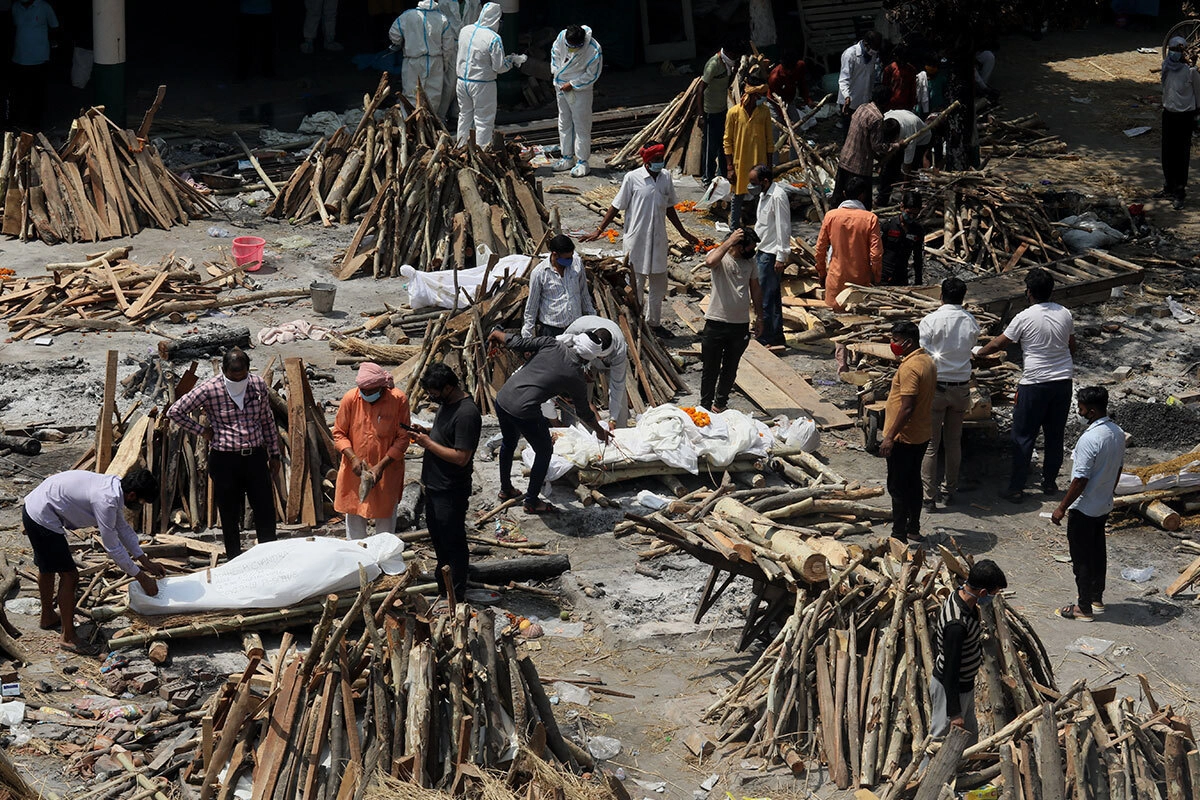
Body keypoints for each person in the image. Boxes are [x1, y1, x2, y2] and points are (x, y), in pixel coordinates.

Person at [23, 469, 166, 655]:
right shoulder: (105, 500)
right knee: (70, 575)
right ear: (132, 495)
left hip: (38, 506)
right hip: (42, 516)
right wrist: (141, 577)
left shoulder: (114, 486)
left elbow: (122, 528)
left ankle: (48, 617)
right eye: (140, 502)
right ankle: (67, 637)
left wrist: (146, 562)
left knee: (47, 567)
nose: (139, 505)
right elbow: (113, 547)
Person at [167, 348, 281, 558]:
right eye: (233, 377)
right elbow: (175, 411)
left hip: (254, 457)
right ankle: (234, 558)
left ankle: (270, 557)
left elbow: (267, 420)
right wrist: (203, 431)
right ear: (224, 371)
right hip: (226, 460)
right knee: (229, 513)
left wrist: (275, 454)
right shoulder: (210, 389)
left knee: (265, 509)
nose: (239, 380)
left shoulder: (257, 384)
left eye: (242, 376)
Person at [976, 268, 1075, 503]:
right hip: (1062, 382)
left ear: (1029, 292)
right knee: (1054, 435)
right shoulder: (1065, 313)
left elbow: (1000, 343)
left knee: (1023, 436)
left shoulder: (1024, 317)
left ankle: (1017, 487)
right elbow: (1072, 346)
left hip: (1034, 384)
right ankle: (1049, 483)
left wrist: (979, 352)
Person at [487, 329, 612, 514]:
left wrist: (497, 334)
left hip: (503, 398)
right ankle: (531, 501)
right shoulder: (575, 377)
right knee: (544, 450)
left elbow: (518, 343)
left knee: (508, 442)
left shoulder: (552, 343)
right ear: (590, 358)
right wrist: (600, 431)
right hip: (524, 410)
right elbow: (584, 412)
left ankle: (506, 490)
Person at [583, 143, 700, 331]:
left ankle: (654, 323)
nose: (659, 163)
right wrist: (599, 229)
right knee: (636, 284)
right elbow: (616, 206)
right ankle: (636, 324)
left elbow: (670, 208)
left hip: (659, 239)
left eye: (661, 159)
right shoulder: (632, 178)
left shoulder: (666, 178)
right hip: (636, 240)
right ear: (647, 161)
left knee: (659, 285)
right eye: (655, 160)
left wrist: (684, 233)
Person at [408, 364, 481, 604]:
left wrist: (427, 443)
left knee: (453, 544)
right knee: (440, 542)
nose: (432, 397)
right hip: (435, 486)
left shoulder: (467, 413)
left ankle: (456, 595)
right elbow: (444, 434)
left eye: (435, 392)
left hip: (451, 490)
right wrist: (426, 431)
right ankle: (444, 589)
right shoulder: (447, 405)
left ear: (449, 387)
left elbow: (461, 457)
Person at [1052, 386, 1125, 623]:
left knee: (1082, 558)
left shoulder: (1090, 438)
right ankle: (1096, 597)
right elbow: (1119, 468)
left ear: (1091, 411)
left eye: (1082, 409)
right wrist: (1108, 493)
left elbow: (1080, 479)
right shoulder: (1117, 433)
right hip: (1102, 505)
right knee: (1097, 552)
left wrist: (1062, 507)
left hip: (1084, 508)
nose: (1080, 413)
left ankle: (1083, 608)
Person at [919, 278, 980, 510]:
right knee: (954, 442)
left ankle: (929, 496)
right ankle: (949, 490)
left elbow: (922, 352)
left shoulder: (930, 320)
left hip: (936, 387)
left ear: (940, 296)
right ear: (963, 298)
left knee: (931, 445)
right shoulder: (970, 321)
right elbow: (972, 346)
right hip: (961, 388)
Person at [331, 363, 412, 540]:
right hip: (355, 470)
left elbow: (403, 438)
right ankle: (357, 559)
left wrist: (381, 466)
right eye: (363, 391)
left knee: (385, 521)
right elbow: (339, 433)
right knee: (354, 516)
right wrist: (352, 457)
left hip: (387, 470)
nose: (367, 394)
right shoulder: (350, 399)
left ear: (381, 387)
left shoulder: (398, 400)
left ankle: (383, 560)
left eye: (371, 391)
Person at [931, 559, 1008, 738]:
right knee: (940, 740)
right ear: (982, 592)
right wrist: (954, 712)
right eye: (993, 593)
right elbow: (951, 670)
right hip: (950, 688)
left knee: (969, 736)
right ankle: (926, 767)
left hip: (964, 686)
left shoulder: (962, 596)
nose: (993, 598)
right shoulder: (956, 626)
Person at [814, 176, 882, 371]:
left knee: (840, 322)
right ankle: (858, 356)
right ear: (863, 195)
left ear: (844, 194)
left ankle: (842, 363)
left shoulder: (831, 216)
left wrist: (821, 272)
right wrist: (876, 277)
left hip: (836, 277)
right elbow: (876, 254)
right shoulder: (870, 218)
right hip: (861, 280)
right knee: (861, 320)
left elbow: (820, 249)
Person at [880, 321, 936, 543]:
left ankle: (898, 534)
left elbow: (907, 407)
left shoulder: (910, 367)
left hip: (905, 437)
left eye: (895, 340)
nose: (892, 344)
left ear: (908, 341)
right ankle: (913, 527)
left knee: (898, 486)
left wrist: (889, 437)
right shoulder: (927, 361)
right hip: (921, 433)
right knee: (913, 482)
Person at [700, 228, 763, 411]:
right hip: (716, 322)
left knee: (730, 369)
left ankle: (720, 404)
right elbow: (709, 261)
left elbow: (756, 289)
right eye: (749, 247)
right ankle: (705, 406)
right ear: (737, 245)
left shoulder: (750, 262)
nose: (752, 251)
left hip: (739, 325)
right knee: (710, 369)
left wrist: (760, 317)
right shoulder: (721, 257)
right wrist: (729, 242)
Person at [455, 2, 527, 148]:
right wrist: (512, 60)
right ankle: (482, 153)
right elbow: (499, 67)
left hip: (462, 81)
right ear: (496, 19)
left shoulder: (465, 30)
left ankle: (461, 149)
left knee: (464, 116)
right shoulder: (493, 38)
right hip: (482, 83)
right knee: (483, 120)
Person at [550, 24, 603, 177]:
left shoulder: (593, 49)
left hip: (580, 91)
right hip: (560, 86)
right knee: (564, 121)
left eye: (575, 47)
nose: (571, 49)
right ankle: (566, 157)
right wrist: (556, 73)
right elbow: (555, 53)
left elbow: (592, 75)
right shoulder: (562, 37)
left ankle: (582, 161)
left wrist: (572, 84)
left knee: (581, 124)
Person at [832, 85, 897, 209]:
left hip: (845, 159)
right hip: (859, 166)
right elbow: (877, 146)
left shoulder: (862, 107)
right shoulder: (877, 118)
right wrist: (895, 146)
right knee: (862, 203)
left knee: (838, 197)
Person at [724, 77, 774, 229]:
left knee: (761, 195)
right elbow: (727, 141)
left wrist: (769, 165)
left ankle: (761, 226)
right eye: (760, 95)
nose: (762, 98)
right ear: (752, 95)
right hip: (741, 161)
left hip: (759, 161)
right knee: (737, 195)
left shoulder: (764, 112)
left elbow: (769, 140)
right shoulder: (734, 113)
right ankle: (734, 228)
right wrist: (730, 167)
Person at [522, 234, 594, 337]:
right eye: (567, 258)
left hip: (576, 328)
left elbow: (584, 293)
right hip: (551, 331)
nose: (570, 260)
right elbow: (532, 306)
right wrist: (527, 335)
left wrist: (593, 318)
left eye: (571, 256)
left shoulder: (577, 264)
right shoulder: (539, 273)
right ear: (555, 254)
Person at [749, 164, 790, 345]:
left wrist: (781, 256)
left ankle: (766, 335)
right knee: (771, 296)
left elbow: (783, 227)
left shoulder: (778, 196)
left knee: (765, 297)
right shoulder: (763, 194)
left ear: (765, 181)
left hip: (771, 253)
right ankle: (775, 334)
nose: (751, 186)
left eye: (754, 182)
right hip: (762, 249)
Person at [564, 314, 630, 428]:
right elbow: (564, 351)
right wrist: (582, 369)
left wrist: (612, 419)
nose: (601, 359)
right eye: (598, 356)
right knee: (582, 396)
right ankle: (589, 430)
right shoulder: (578, 327)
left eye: (602, 357)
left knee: (620, 399)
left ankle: (619, 429)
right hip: (585, 361)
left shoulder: (619, 349)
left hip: (609, 364)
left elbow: (617, 386)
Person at [1158, 36, 1200, 210]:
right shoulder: (1166, 67)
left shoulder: (1190, 72)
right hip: (1168, 114)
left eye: (1178, 50)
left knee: (1181, 155)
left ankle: (1179, 192)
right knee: (1167, 153)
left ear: (1183, 52)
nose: (1174, 53)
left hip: (1185, 117)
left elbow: (1199, 96)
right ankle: (1168, 186)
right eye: (1172, 49)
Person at [389, 1, 451, 114]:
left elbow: (394, 34)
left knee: (411, 92)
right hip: (435, 60)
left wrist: (401, 42)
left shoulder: (407, 15)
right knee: (433, 95)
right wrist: (445, 63)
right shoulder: (442, 18)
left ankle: (409, 123)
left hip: (413, 60)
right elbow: (448, 46)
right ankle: (430, 124)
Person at [9, 0, 58, 130]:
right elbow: (15, 28)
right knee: (19, 93)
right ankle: (18, 123)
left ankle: (36, 125)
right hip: (19, 58)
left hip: (39, 59)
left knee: (38, 93)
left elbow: (55, 27)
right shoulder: (15, 7)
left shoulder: (44, 7)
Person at [698, 42, 739, 187]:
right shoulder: (713, 64)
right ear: (727, 52)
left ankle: (722, 175)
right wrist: (701, 115)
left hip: (722, 110)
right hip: (710, 112)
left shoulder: (727, 65)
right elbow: (700, 89)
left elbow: (726, 83)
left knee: (723, 145)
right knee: (710, 147)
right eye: (733, 55)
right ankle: (707, 178)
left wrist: (734, 72)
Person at [877, 109, 930, 206]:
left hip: (921, 140)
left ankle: (908, 199)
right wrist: (882, 163)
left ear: (897, 135)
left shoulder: (910, 133)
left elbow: (907, 165)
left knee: (911, 171)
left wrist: (906, 183)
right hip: (902, 137)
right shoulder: (884, 121)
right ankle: (882, 199)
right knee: (888, 170)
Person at [837, 30, 882, 137]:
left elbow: (870, 77)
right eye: (874, 48)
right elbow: (844, 79)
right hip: (850, 102)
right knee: (849, 134)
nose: (875, 51)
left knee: (862, 134)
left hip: (864, 100)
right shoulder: (850, 55)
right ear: (866, 44)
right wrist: (847, 97)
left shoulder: (872, 54)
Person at [880, 190, 924, 286]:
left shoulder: (918, 230)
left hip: (901, 276)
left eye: (915, 215)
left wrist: (918, 281)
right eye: (909, 213)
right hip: (883, 274)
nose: (911, 217)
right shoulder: (888, 225)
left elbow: (918, 257)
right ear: (902, 207)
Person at [235, 0, 274, 81]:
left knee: (266, 44)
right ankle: (243, 72)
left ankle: (267, 70)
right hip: (248, 11)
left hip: (263, 10)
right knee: (246, 44)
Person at [882, 45, 917, 112]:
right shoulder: (889, 69)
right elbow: (885, 88)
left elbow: (913, 89)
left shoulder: (911, 70)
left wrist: (911, 105)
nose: (902, 62)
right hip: (890, 107)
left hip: (905, 107)